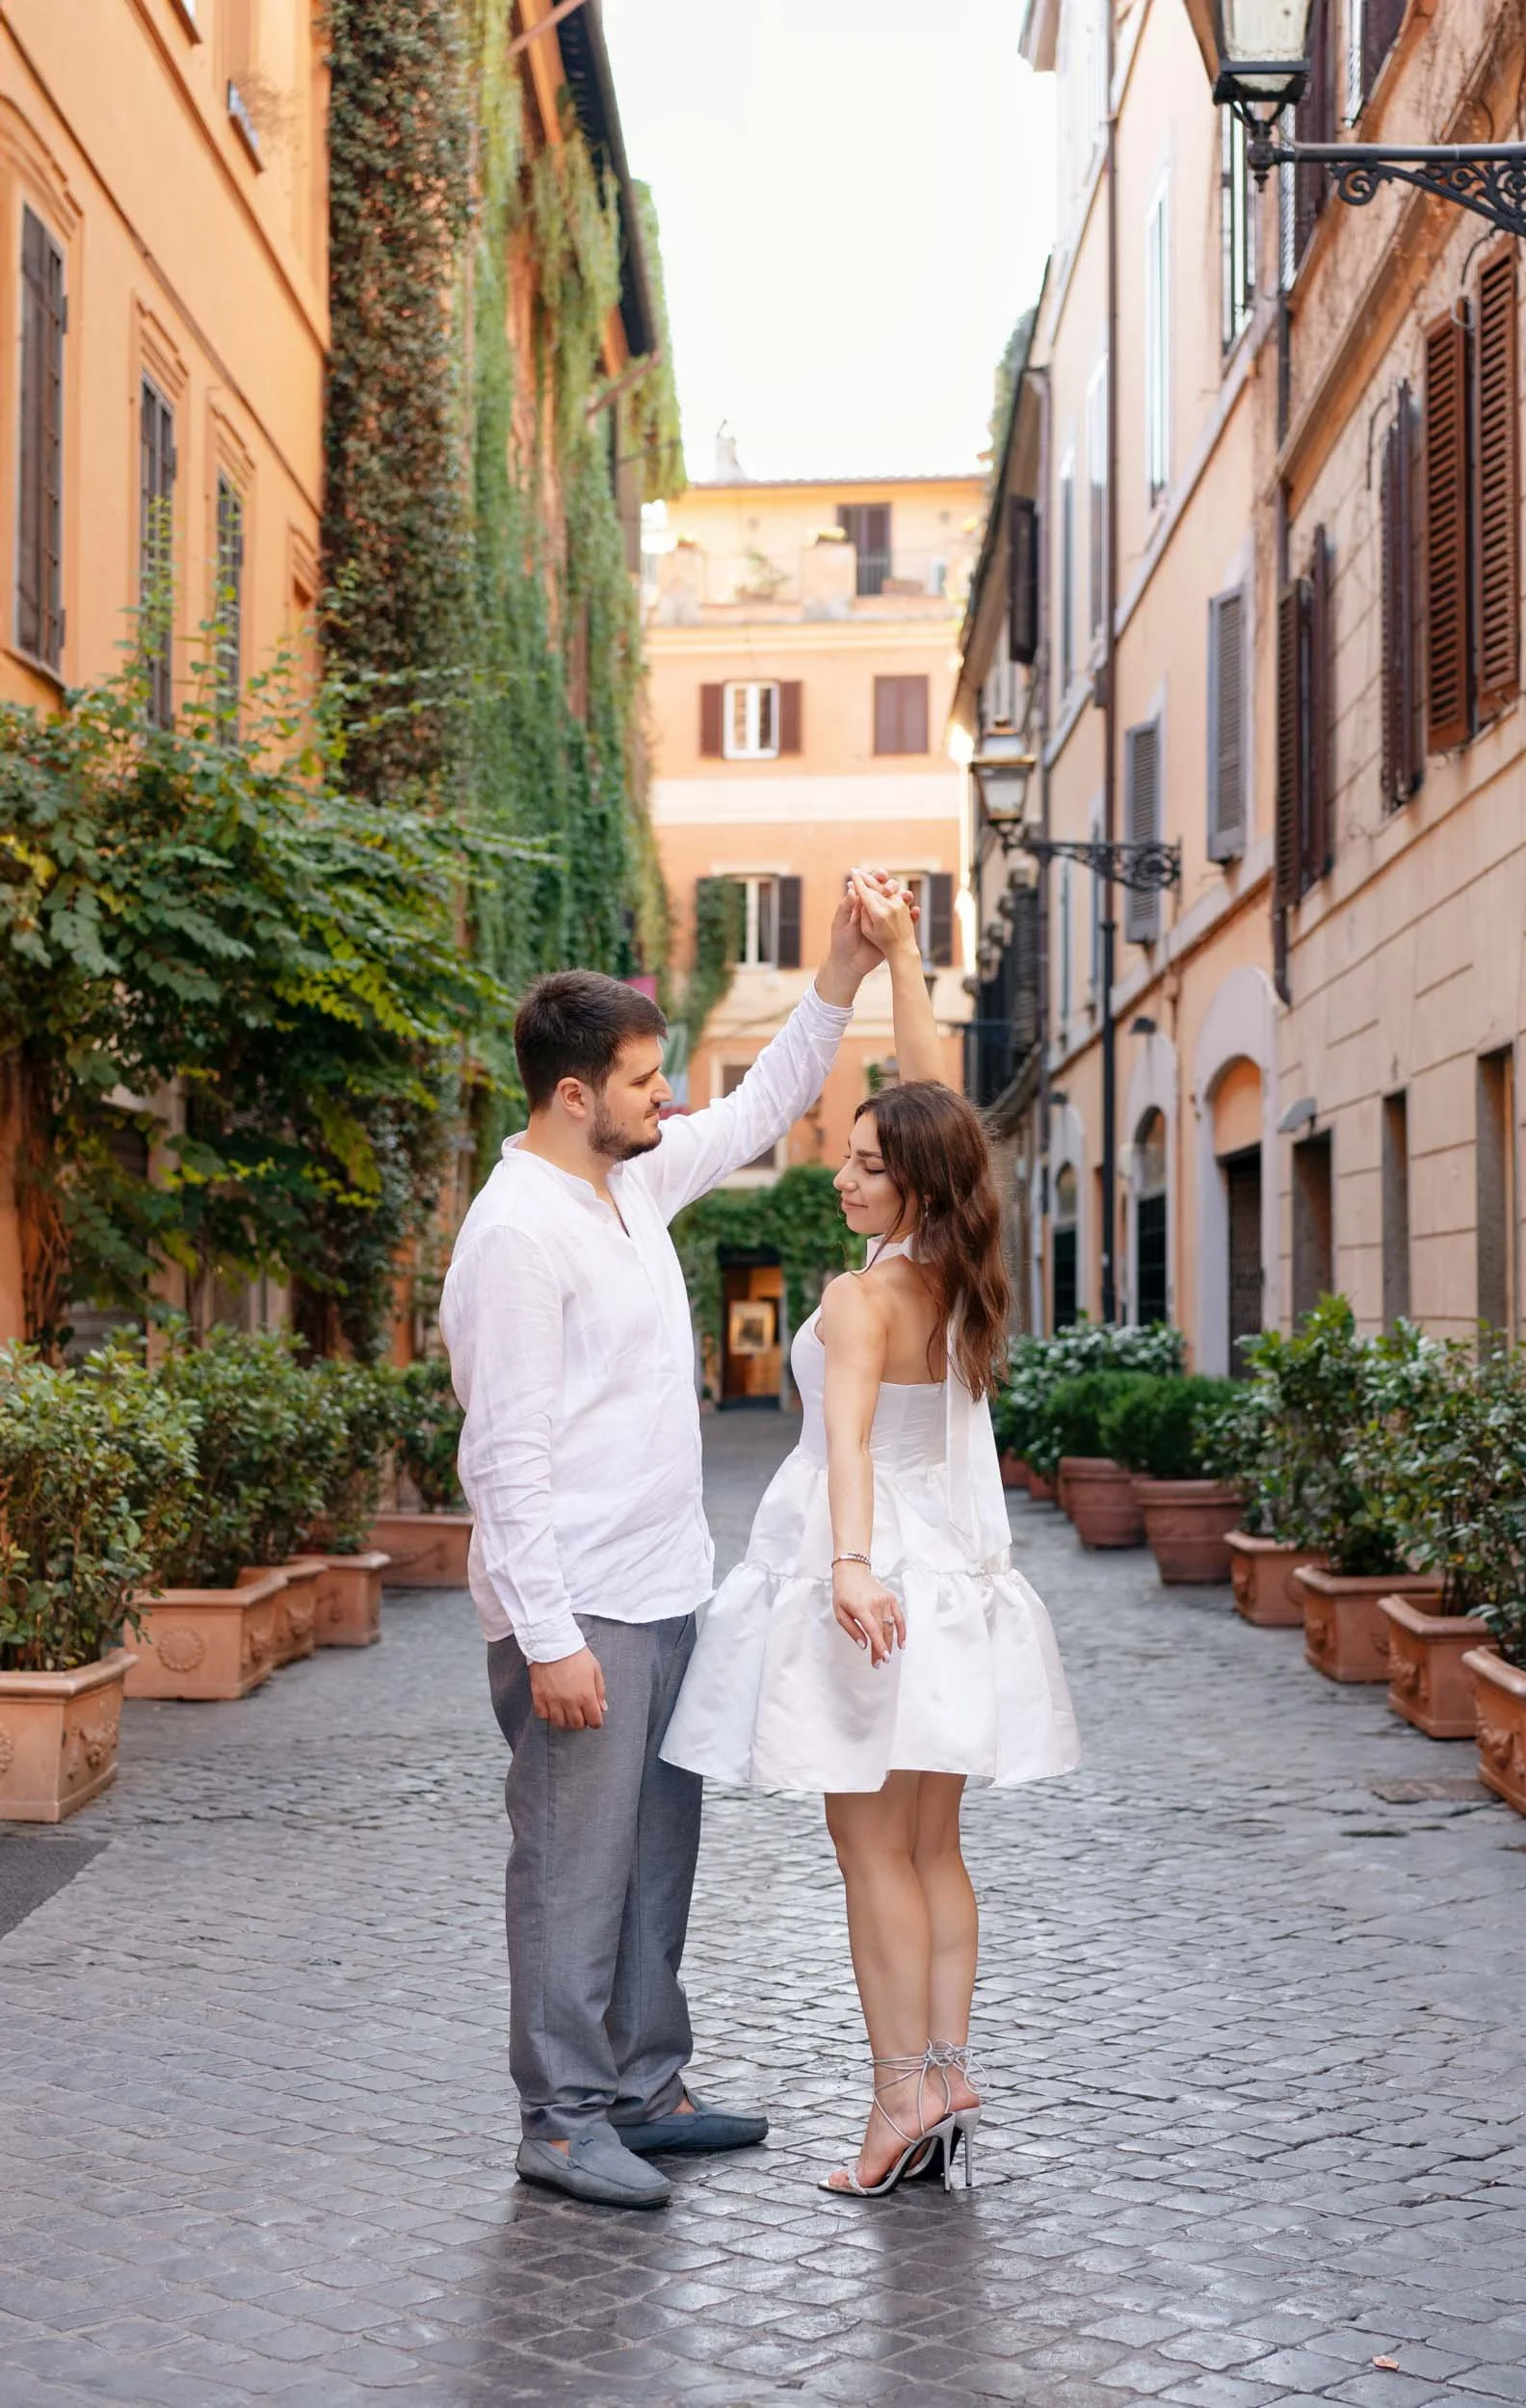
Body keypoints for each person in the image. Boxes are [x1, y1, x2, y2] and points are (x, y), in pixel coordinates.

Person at [438, 874, 908, 2211]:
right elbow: (504, 1457)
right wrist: (549, 1638)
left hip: (660, 1589)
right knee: (571, 1872)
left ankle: (645, 2087)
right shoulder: (517, 1233)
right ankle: (564, 2114)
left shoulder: (628, 1190)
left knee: (652, 1860)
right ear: (572, 1094)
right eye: (645, 1081)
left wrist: (840, 972)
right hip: (576, 1611)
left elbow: (764, 1105)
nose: (668, 1100)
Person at [663, 872, 1080, 2198]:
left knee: (867, 1855)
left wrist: (845, 1565)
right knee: (931, 1847)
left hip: (873, 1579)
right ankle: (946, 2068)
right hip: (954, 1577)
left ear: (905, 1180)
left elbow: (841, 1442)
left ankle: (897, 2100)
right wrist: (899, 956)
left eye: (860, 1161)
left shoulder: (855, 1300)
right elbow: (935, 1103)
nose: (839, 1173)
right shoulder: (963, 1270)